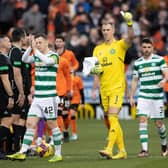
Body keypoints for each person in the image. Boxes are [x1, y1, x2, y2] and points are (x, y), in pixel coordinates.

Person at [7, 33, 62, 162]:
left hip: (49, 97)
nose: (38, 45)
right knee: (30, 123)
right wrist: (30, 48)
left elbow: (47, 61)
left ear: (47, 42)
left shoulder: (53, 56)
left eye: (40, 42)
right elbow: (25, 59)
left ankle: (58, 154)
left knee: (52, 124)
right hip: (38, 97)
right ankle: (22, 152)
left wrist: (35, 50)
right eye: (36, 42)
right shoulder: (37, 55)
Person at [90, 11, 134, 159]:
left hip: (117, 87)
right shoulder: (97, 49)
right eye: (103, 30)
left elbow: (131, 38)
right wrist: (94, 89)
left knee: (113, 117)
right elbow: (97, 72)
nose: (106, 32)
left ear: (113, 30)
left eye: (108, 29)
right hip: (104, 89)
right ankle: (122, 151)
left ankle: (109, 148)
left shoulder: (120, 45)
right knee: (111, 120)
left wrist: (129, 24)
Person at [129, 38, 168, 157]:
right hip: (143, 96)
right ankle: (144, 150)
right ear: (141, 48)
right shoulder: (138, 63)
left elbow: (166, 74)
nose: (146, 50)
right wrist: (131, 96)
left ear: (152, 48)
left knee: (159, 124)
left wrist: (164, 80)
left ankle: (164, 146)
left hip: (157, 97)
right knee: (142, 120)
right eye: (144, 47)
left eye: (148, 47)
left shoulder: (159, 60)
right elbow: (135, 80)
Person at [9, 27, 32, 153]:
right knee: (13, 119)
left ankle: (18, 147)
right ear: (22, 38)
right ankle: (13, 147)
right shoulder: (16, 52)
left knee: (21, 119)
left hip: (22, 90)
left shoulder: (21, 52)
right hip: (18, 91)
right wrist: (22, 93)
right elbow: (17, 73)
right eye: (26, 36)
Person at [55, 35, 79, 142]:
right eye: (57, 41)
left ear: (64, 43)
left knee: (65, 113)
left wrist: (72, 69)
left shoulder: (69, 54)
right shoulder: (53, 56)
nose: (59, 43)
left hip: (68, 86)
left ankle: (65, 130)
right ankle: (61, 132)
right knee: (59, 112)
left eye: (60, 41)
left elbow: (76, 63)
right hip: (58, 87)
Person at [0, 35, 14, 159]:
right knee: (7, 120)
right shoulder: (2, 59)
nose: (10, 42)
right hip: (2, 95)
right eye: (8, 41)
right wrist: (11, 95)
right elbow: (5, 80)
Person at [69, 72, 85, 141]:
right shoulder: (67, 78)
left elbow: (81, 91)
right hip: (67, 99)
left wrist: (83, 102)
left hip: (76, 99)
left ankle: (74, 133)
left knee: (72, 114)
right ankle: (64, 132)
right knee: (66, 116)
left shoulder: (78, 79)